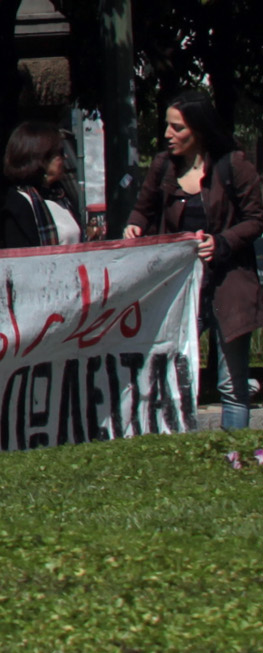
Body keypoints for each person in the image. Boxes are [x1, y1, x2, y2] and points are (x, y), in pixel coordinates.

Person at [124, 90, 260, 430]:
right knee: (166, 375)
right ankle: (177, 453)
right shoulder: (162, 167)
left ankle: (233, 459)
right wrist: (135, 226)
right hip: (180, 290)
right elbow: (144, 210)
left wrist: (223, 242)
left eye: (177, 128)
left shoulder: (234, 165)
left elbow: (256, 217)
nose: (168, 135)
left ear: (198, 130)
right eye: (167, 127)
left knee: (232, 386)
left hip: (230, 286)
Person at [0, 118, 83, 249]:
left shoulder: (61, 196)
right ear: (42, 159)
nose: (65, 157)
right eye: (60, 153)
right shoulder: (19, 205)